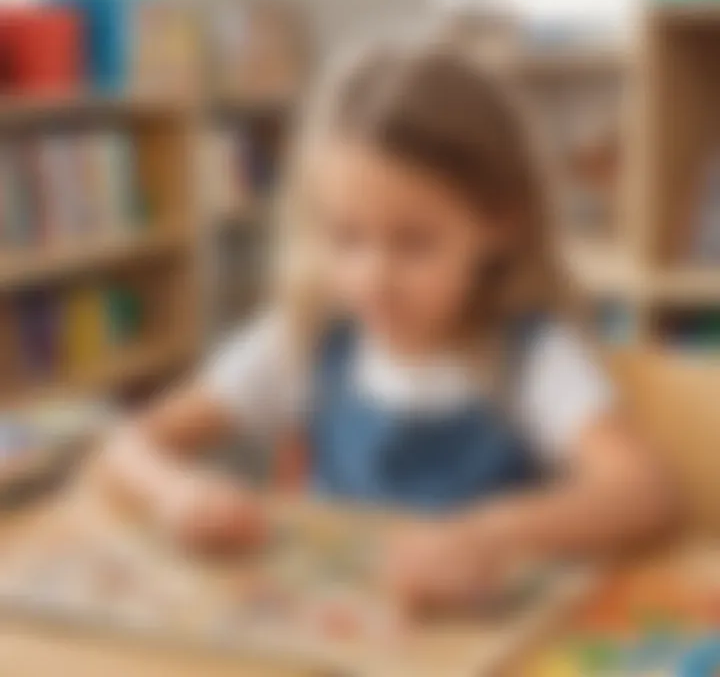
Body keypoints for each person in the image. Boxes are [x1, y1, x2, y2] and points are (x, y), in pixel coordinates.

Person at [94, 34, 678, 613]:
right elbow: (125, 447)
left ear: (501, 221)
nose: (373, 279)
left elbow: (643, 494)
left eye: (414, 244)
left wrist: (492, 536)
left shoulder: (532, 355)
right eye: (345, 237)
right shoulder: (306, 335)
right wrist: (174, 493)